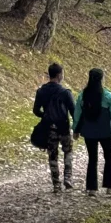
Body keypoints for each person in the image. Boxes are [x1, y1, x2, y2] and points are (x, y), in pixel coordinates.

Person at [74, 67, 111, 195]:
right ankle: (110, 187)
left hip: (89, 133)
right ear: (102, 79)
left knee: (92, 159)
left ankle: (91, 188)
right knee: (109, 157)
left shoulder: (83, 95)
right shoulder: (108, 96)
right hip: (106, 132)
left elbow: (77, 114)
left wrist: (75, 130)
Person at [33, 61, 76, 192]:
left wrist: (45, 116)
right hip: (63, 127)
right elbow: (74, 112)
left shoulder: (41, 91)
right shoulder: (65, 92)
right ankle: (68, 178)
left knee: (52, 155)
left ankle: (56, 184)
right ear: (59, 75)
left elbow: (36, 110)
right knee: (68, 151)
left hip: (49, 128)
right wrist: (77, 128)